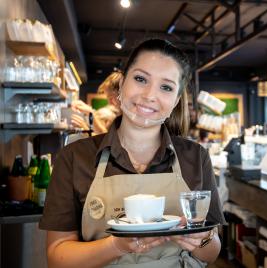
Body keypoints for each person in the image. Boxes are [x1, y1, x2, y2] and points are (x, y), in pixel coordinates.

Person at [39, 39, 225, 267]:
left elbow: (212, 250)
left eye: (165, 87)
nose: (149, 95)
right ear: (121, 85)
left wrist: (201, 239)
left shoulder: (195, 157)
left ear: (176, 101)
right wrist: (114, 246)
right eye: (140, 79)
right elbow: (57, 258)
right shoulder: (74, 157)